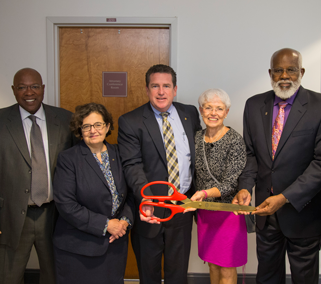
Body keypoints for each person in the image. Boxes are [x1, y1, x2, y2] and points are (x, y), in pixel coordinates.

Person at [233, 48, 321, 284]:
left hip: (303, 212)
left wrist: (284, 197)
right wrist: (244, 187)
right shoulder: (253, 105)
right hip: (264, 212)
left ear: (301, 72)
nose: (284, 75)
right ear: (270, 73)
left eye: (291, 69)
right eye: (278, 70)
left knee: (304, 278)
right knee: (267, 276)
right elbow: (250, 155)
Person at [0, 68, 77, 284]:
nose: (29, 92)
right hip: (8, 217)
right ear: (14, 90)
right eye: (22, 87)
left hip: (55, 215)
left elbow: (78, 168)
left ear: (43, 89)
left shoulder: (65, 119)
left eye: (34, 86)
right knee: (6, 277)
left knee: (56, 277)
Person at [118, 64, 201, 284]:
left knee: (178, 274)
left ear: (175, 89)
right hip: (149, 210)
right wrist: (146, 197)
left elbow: (199, 155)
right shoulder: (131, 121)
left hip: (182, 208)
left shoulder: (189, 113)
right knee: (149, 274)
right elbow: (131, 165)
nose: (161, 92)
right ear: (147, 90)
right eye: (155, 86)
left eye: (166, 86)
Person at [52, 103, 134, 284]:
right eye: (86, 126)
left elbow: (130, 194)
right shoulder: (68, 159)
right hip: (79, 247)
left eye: (98, 125)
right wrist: (106, 224)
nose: (93, 130)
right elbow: (66, 204)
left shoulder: (119, 153)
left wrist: (124, 221)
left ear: (107, 126)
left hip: (115, 244)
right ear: (79, 130)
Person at [184, 89, 247, 284]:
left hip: (228, 212)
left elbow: (231, 183)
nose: (213, 113)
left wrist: (204, 193)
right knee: (212, 262)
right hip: (205, 212)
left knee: (227, 266)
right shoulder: (195, 138)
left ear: (226, 112)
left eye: (219, 108)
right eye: (208, 108)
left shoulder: (235, 140)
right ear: (201, 110)